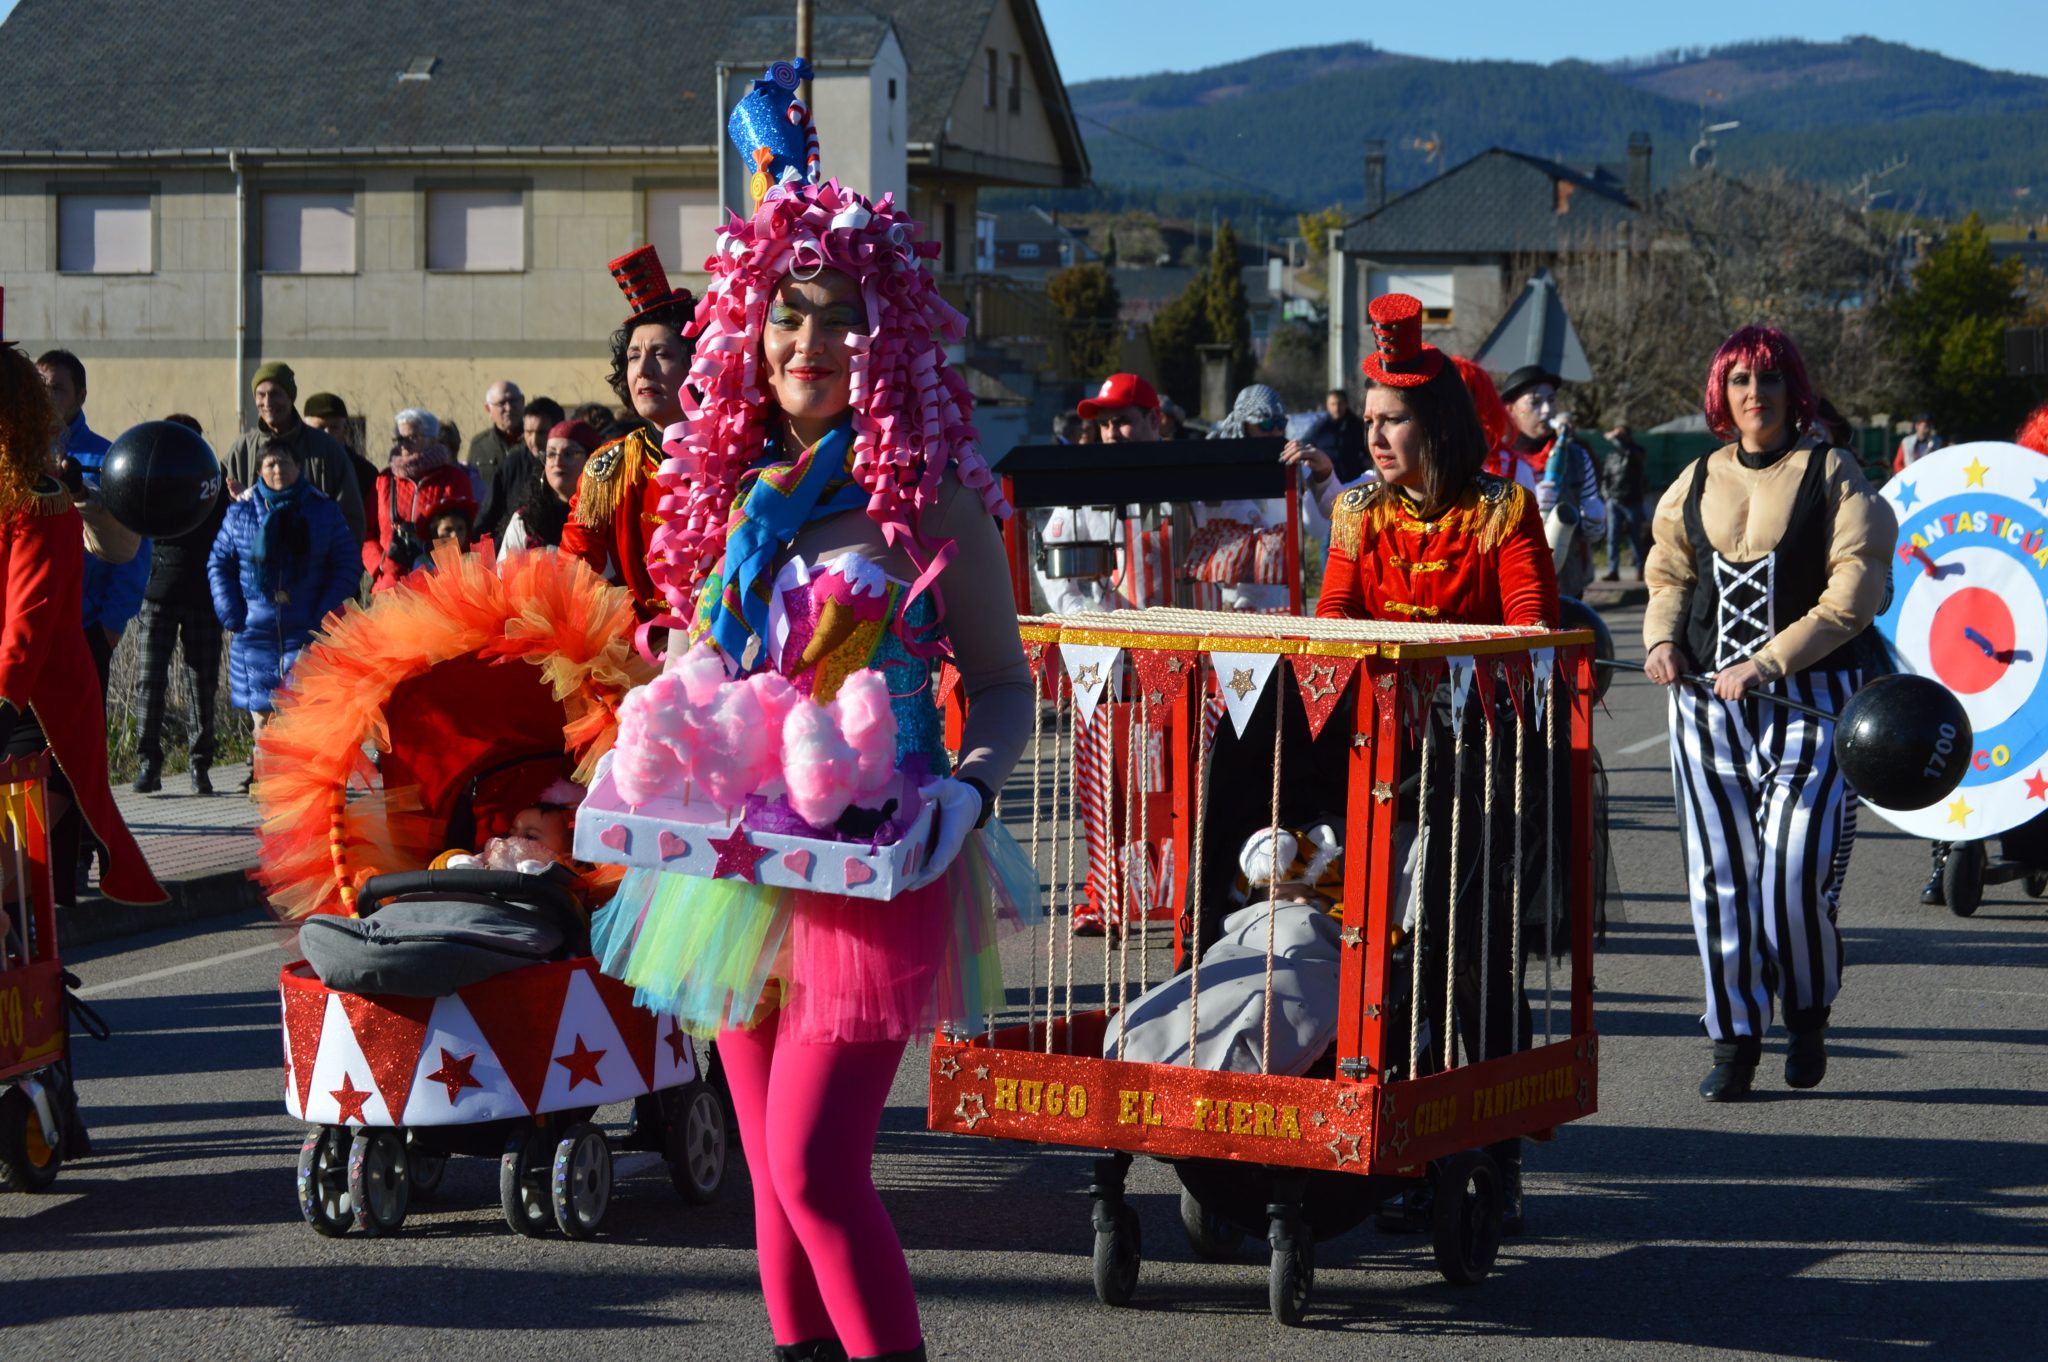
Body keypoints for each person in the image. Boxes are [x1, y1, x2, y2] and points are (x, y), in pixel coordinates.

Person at [592, 80, 1036, 1362]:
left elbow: (1003, 686)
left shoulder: (932, 499)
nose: (807, 344)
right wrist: (666, 700)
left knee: (814, 1173)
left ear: (883, 339)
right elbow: (713, 671)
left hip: (872, 867)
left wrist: (967, 789)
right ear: (750, 326)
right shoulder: (740, 501)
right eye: (788, 314)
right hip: (734, 867)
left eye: (838, 321)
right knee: (768, 1202)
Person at [1311, 293, 1558, 1234]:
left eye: (1393, 421)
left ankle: (1493, 1152)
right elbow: (1332, 626)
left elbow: (1532, 631)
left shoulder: (1504, 507)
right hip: (1385, 764)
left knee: (1466, 961)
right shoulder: (1355, 512)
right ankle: (1405, 1143)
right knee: (1383, 953)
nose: (1373, 438)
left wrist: (1437, 667)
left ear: (1439, 423)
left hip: (1486, 763)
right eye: (1367, 421)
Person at [1642, 324, 1895, 1102]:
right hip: (1705, 712)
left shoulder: (1836, 473)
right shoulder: (1692, 480)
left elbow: (1854, 593)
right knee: (1721, 880)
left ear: (1794, 391)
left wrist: (1768, 662)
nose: (1757, 395)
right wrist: (1658, 641)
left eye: (1770, 380)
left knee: (1791, 875)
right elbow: (1668, 575)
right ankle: (1734, 1040)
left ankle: (1809, 1008)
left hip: (1809, 703)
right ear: (1723, 393)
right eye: (1742, 381)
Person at [0, 342, 170, 908]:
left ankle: (44, 913)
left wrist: (110, 628)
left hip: (48, 672)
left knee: (44, 807)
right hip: (17, 669)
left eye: (59, 389)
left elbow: (121, 554)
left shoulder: (58, 482)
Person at [559, 246, 696, 621]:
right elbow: (575, 571)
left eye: (662, 354)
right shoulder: (609, 468)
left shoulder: (736, 457)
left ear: (696, 364)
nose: (643, 370)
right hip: (634, 658)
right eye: (634, 356)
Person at [209, 443, 360, 768]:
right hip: (255, 634)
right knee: (262, 719)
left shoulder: (322, 510)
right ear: (260, 472)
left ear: (298, 467)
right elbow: (219, 562)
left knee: (304, 715)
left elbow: (346, 564)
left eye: (284, 463)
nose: (277, 471)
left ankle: (306, 781)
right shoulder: (241, 512)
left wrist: (325, 615)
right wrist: (231, 610)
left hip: (306, 629)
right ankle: (268, 783)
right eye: (270, 465)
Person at [132, 413, 229, 795]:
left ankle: (199, 765)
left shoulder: (215, 481)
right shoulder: (150, 474)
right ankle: (147, 765)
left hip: (204, 594)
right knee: (149, 681)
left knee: (202, 684)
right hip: (158, 591)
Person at [224, 363, 366, 544]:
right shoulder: (241, 450)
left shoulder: (326, 449)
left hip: (316, 566)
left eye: (275, 393)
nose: (267, 402)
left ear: (291, 397)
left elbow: (351, 518)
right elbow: (224, 523)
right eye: (261, 395)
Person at [1497, 364, 1607, 597]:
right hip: (1511, 592)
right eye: (1535, 402)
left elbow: (1593, 536)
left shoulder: (1577, 456)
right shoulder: (1497, 461)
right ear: (1510, 410)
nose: (1547, 410)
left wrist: (1595, 520)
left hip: (1566, 589)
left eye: (1551, 400)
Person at [365, 409, 475, 593]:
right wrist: (380, 566)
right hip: (390, 586)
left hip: (437, 586)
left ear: (432, 440)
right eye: (399, 439)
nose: (404, 446)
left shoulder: (454, 479)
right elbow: (366, 533)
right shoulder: (384, 480)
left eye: (412, 438)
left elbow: (465, 533)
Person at [500, 420, 595, 556]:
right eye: (551, 454)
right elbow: (502, 574)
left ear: (591, 459)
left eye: (568, 454)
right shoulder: (525, 521)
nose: (557, 462)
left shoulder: (605, 518)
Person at [482, 395, 563, 542]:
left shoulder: (569, 465)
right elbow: (489, 514)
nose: (534, 440)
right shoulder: (512, 464)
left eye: (542, 432)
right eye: (529, 432)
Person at [300, 393, 379, 544]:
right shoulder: (293, 466)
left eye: (334, 427)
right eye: (321, 427)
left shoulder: (365, 471)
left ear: (345, 428)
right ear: (306, 428)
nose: (328, 433)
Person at [1599, 421, 1650, 580]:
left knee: (1634, 537)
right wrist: (1606, 495)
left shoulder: (1636, 452)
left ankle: (1640, 568)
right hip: (1614, 501)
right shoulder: (1612, 456)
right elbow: (1605, 477)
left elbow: (1635, 457)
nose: (1618, 438)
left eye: (1621, 434)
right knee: (1612, 537)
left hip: (1632, 501)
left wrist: (1617, 439)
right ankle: (1613, 570)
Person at [468, 380, 525, 498]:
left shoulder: (537, 441)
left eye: (513, 401)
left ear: (522, 402)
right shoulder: (479, 445)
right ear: (488, 409)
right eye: (502, 403)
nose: (508, 408)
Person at [1299, 387, 1368, 483]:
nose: (1337, 408)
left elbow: (1367, 448)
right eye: (1333, 404)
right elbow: (1305, 444)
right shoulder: (1321, 426)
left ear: (1346, 404)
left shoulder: (1357, 425)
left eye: (1340, 403)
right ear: (1327, 406)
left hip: (1355, 480)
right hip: (1328, 481)